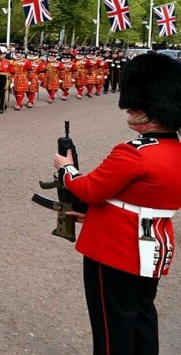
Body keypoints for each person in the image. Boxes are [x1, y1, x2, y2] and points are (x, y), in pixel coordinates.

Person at [53, 52, 181, 355]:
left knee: (111, 326)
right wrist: (101, 215)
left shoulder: (135, 152)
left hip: (116, 248)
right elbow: (142, 200)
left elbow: (89, 191)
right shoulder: (175, 150)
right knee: (142, 316)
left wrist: (65, 168)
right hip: (155, 243)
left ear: (147, 110)